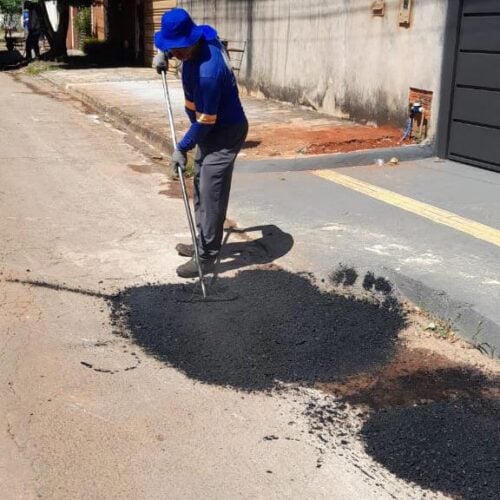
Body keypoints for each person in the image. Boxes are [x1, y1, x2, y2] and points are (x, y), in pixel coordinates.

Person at [154, 8, 248, 278]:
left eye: (178, 49)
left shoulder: (208, 72)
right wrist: (163, 53)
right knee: (199, 182)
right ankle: (202, 241)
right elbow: (168, 37)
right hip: (209, 129)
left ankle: (207, 256)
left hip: (224, 132)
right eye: (171, 48)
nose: (176, 54)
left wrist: (182, 147)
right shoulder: (204, 35)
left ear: (191, 41)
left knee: (210, 192)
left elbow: (206, 121)